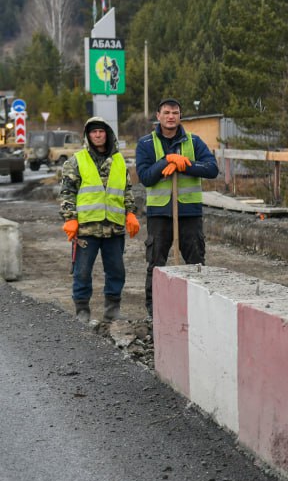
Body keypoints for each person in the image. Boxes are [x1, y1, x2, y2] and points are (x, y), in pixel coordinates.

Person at [135, 98, 219, 316]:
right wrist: (166, 160)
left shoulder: (194, 142)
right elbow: (145, 177)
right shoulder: (146, 144)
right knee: (156, 265)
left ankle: (200, 311)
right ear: (158, 116)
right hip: (160, 214)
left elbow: (211, 169)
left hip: (189, 213)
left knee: (196, 264)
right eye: (166, 112)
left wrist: (186, 164)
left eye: (175, 112)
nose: (171, 116)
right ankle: (156, 313)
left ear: (180, 116)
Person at [60, 116, 140, 323]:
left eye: (101, 131)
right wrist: (70, 218)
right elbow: (67, 192)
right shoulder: (76, 161)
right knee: (82, 272)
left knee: (116, 270)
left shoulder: (119, 160)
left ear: (107, 134)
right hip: (86, 229)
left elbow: (126, 190)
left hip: (114, 227)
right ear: (87, 135)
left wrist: (130, 212)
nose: (97, 135)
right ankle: (82, 311)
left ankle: (112, 310)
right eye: (93, 131)